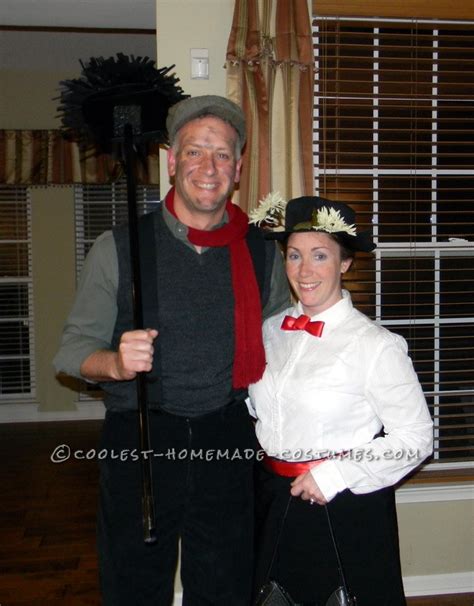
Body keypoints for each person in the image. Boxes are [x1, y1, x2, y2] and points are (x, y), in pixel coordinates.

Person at [53, 95, 290, 606]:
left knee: (226, 584)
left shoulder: (261, 252)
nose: (209, 166)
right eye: (195, 151)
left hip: (227, 437)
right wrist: (115, 363)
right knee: (135, 584)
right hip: (141, 435)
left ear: (239, 167)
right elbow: (71, 352)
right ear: (171, 161)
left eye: (223, 154)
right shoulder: (118, 248)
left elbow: (283, 347)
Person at [248, 196, 434, 605]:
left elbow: (417, 437)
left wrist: (333, 476)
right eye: (294, 255)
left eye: (320, 255)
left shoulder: (376, 346)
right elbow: (261, 409)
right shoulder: (269, 331)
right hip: (274, 502)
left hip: (344, 504)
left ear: (345, 263)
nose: (305, 270)